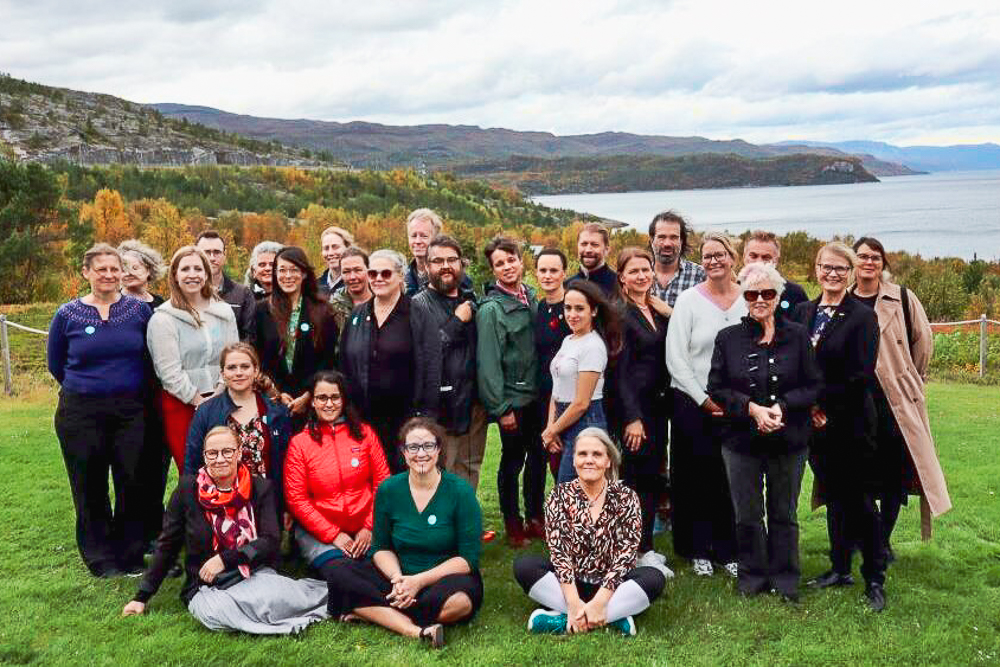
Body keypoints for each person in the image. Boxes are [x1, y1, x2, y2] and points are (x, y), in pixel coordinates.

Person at [122, 427, 329, 634]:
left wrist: (224, 559)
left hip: (252, 574)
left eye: (227, 451)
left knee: (273, 598)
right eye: (212, 453)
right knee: (215, 614)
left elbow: (270, 541)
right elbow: (167, 545)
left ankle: (314, 601)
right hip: (208, 587)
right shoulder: (188, 490)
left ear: (239, 452)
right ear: (204, 456)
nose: (220, 459)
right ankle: (277, 618)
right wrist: (141, 597)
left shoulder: (260, 488)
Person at [707, 263, 822, 600]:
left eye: (767, 293)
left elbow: (814, 385)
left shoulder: (799, 336)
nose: (760, 299)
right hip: (741, 441)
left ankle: (785, 578)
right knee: (748, 513)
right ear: (744, 296)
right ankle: (752, 577)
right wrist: (751, 408)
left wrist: (782, 407)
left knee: (784, 512)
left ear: (778, 297)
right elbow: (717, 388)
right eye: (752, 293)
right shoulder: (728, 339)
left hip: (789, 439)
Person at [325, 418, 484, 649]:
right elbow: (380, 547)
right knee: (337, 571)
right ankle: (414, 629)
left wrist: (418, 582)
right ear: (403, 452)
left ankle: (377, 613)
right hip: (396, 576)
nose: (421, 454)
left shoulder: (460, 491)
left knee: (460, 603)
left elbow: (468, 559)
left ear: (439, 449)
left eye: (428, 446)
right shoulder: (389, 489)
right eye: (413, 447)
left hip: (444, 577)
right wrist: (399, 580)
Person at [48, 243, 152, 577]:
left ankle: (131, 554)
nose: (108, 275)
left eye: (114, 268)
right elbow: (56, 364)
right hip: (80, 412)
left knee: (132, 480)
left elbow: (150, 357)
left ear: (122, 272)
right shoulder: (67, 314)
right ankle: (100, 557)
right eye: (101, 269)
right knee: (88, 484)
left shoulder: (138, 312)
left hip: (131, 411)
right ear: (86, 272)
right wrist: (89, 387)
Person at [793, 242, 887, 611]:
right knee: (832, 496)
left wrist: (820, 405)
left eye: (840, 269)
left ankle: (875, 576)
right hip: (814, 425)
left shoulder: (862, 317)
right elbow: (793, 362)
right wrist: (807, 406)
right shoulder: (803, 312)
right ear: (816, 268)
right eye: (826, 267)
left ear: (850, 274)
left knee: (860, 501)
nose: (832, 274)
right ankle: (839, 567)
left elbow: (860, 374)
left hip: (850, 423)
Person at [851, 237, 951, 554]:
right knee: (858, 474)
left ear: (883, 264)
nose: (869, 262)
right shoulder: (843, 301)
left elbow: (923, 342)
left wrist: (910, 379)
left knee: (893, 472)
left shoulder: (902, 298)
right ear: (853, 262)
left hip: (894, 401)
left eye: (876, 257)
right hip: (855, 401)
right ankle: (867, 533)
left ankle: (882, 540)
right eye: (863, 256)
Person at [513, 428, 666, 637]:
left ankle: (566, 619)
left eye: (597, 454)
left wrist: (601, 600)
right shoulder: (560, 496)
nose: (589, 460)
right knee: (524, 565)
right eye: (582, 454)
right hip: (570, 585)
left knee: (654, 577)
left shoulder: (626, 498)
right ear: (574, 460)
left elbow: (626, 555)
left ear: (608, 461)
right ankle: (608, 617)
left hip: (612, 586)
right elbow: (560, 555)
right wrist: (574, 602)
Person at [665, 232, 745, 577]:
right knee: (693, 477)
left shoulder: (748, 298)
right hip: (692, 402)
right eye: (707, 255)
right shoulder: (688, 301)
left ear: (733, 257)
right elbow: (676, 357)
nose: (713, 261)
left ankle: (728, 548)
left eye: (720, 254)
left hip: (737, 405)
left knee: (730, 478)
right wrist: (702, 399)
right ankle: (697, 548)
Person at [284, 371, 390, 572]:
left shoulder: (365, 433)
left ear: (343, 400)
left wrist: (368, 527)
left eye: (335, 397)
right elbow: (297, 499)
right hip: (320, 532)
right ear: (312, 402)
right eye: (322, 398)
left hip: (365, 528)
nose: (329, 404)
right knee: (342, 573)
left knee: (377, 567)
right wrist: (333, 535)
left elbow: (383, 483)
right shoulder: (300, 443)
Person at [476, 237, 544, 547]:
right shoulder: (492, 309)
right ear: (493, 270)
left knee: (538, 457)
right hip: (512, 401)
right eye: (499, 263)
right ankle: (513, 523)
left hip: (537, 397)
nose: (507, 267)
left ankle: (535, 516)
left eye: (511, 260)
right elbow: (488, 362)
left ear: (521, 260)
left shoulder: (530, 295)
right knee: (512, 461)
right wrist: (501, 408)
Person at [148, 246, 239, 472]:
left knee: (226, 468)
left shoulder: (223, 312)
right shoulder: (163, 319)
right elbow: (168, 372)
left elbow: (233, 357)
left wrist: (218, 394)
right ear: (175, 276)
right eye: (185, 269)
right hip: (183, 404)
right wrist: (199, 401)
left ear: (207, 274)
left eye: (198, 268)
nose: (192, 274)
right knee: (194, 471)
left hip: (223, 400)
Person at [183, 343, 294, 524]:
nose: (238, 373)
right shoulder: (206, 412)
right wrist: (193, 510)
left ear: (256, 371)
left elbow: (287, 465)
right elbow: (192, 463)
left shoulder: (275, 411)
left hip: (265, 502)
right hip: (219, 503)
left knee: (263, 550)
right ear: (222, 373)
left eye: (245, 367)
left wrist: (286, 507)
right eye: (232, 367)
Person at [612, 247, 673, 572]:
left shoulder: (654, 309)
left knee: (650, 478)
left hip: (658, 406)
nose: (641, 276)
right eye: (633, 271)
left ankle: (645, 545)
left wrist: (666, 309)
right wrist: (631, 418)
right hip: (637, 411)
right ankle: (635, 551)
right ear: (622, 277)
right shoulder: (620, 314)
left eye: (645, 269)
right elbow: (619, 372)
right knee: (636, 480)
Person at [411, 235, 488, 490]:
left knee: (470, 467)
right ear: (426, 266)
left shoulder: (470, 299)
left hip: (473, 404)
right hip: (442, 407)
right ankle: (442, 527)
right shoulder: (417, 305)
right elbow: (423, 356)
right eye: (438, 261)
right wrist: (456, 322)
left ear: (461, 264)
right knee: (443, 471)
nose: (446, 266)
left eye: (452, 259)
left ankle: (466, 525)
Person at [340, 249, 420, 473]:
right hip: (363, 417)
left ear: (400, 276)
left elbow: (430, 365)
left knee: (401, 477)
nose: (378, 279)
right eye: (373, 273)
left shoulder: (416, 313)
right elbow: (345, 364)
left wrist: (424, 415)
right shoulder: (357, 315)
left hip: (404, 418)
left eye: (386, 273)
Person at [543, 280, 620, 485]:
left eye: (579, 308)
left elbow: (581, 402)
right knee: (567, 491)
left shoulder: (593, 346)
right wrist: (552, 427)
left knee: (572, 491)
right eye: (568, 308)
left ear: (593, 311)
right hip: (563, 420)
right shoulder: (568, 340)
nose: (572, 314)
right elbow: (557, 388)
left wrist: (552, 431)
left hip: (586, 422)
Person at [117, 239, 168, 546]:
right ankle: (134, 530)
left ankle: (157, 528)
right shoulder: (114, 305)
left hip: (159, 396)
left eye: (135, 266)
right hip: (127, 397)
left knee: (157, 465)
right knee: (131, 467)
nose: (128, 272)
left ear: (149, 270)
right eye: (123, 267)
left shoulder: (161, 305)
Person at [253, 246, 339, 422]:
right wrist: (275, 392)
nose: (288, 276)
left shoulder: (323, 311)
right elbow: (256, 356)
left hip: (314, 403)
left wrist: (308, 396)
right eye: (282, 270)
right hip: (273, 401)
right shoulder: (262, 310)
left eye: (294, 270)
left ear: (304, 274)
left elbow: (329, 360)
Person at [534, 248, 572, 482]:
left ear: (564, 273)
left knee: (571, 464)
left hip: (569, 399)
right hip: (544, 397)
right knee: (553, 463)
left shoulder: (572, 308)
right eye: (543, 270)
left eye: (553, 270)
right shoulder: (539, 307)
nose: (548, 275)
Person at [196, 230, 256, 341]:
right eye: (206, 252)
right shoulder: (187, 293)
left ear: (224, 255)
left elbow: (248, 338)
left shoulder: (242, 294)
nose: (212, 258)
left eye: (217, 252)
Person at [741, 230, 808, 320]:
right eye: (753, 256)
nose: (759, 262)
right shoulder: (733, 292)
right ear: (744, 257)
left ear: (776, 260)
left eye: (766, 258)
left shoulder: (794, 293)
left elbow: (804, 329)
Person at [649, 210, 706, 307]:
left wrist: (670, 313)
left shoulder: (700, 275)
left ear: (682, 241)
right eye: (661, 237)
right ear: (651, 240)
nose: (667, 243)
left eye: (674, 237)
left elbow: (707, 318)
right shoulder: (638, 276)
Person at [569, 222, 618, 297]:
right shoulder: (567, 285)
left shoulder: (618, 286)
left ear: (607, 250)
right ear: (577, 247)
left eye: (595, 245)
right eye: (584, 244)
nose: (588, 250)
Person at [330, 246, 372, 329]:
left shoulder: (384, 302)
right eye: (346, 272)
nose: (352, 277)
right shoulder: (332, 309)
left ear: (369, 271)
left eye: (357, 270)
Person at [118, 239, 166, 308]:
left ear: (149, 270)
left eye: (135, 268)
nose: (128, 273)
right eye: (123, 269)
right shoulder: (111, 301)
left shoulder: (159, 303)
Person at [318, 225, 355, 297]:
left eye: (335, 247)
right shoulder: (315, 287)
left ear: (348, 249)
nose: (330, 253)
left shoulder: (356, 283)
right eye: (326, 248)